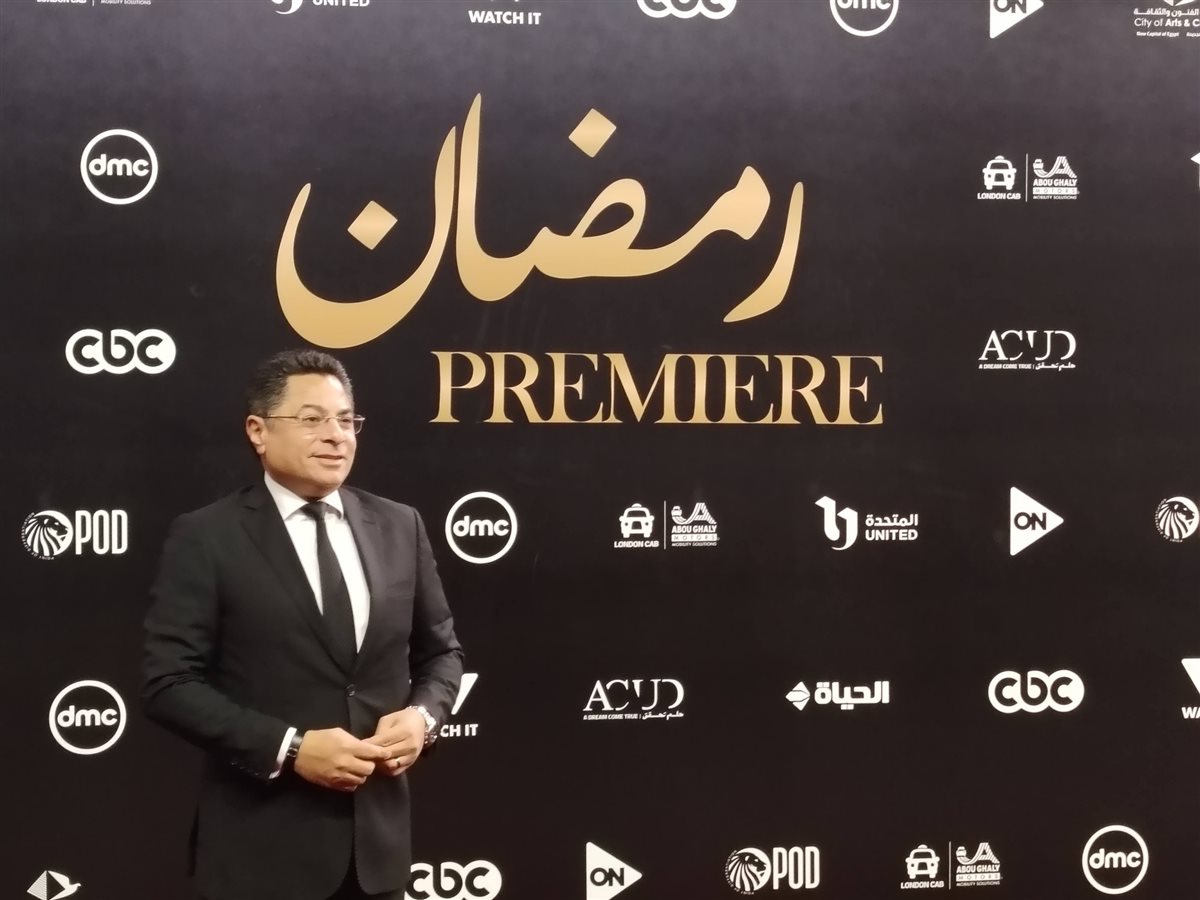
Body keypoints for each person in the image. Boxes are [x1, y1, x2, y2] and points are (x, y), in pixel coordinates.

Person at [142, 348, 464, 900]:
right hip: (259, 858)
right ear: (258, 431)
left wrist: (422, 718)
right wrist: (290, 748)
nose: (336, 436)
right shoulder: (207, 537)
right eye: (312, 419)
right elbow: (168, 684)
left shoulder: (399, 525)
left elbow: (441, 654)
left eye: (346, 420)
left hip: (378, 857)